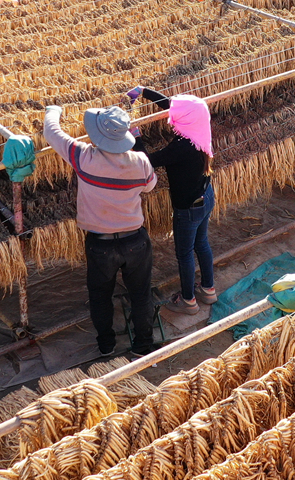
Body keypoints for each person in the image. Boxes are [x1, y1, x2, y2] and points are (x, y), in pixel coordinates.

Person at [43, 103, 159, 357]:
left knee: (100, 296)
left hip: (100, 245)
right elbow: (150, 186)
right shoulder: (140, 161)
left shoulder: (83, 157)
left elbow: (51, 132)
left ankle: (106, 345)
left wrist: (54, 111)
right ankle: (143, 345)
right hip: (135, 241)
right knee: (140, 294)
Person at [127, 86, 217, 315]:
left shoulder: (181, 147)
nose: (173, 115)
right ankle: (208, 290)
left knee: (185, 254)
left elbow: (148, 161)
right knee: (202, 243)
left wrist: (136, 137)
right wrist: (143, 91)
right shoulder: (199, 128)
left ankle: (188, 301)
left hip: (188, 208)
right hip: (206, 196)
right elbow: (172, 105)